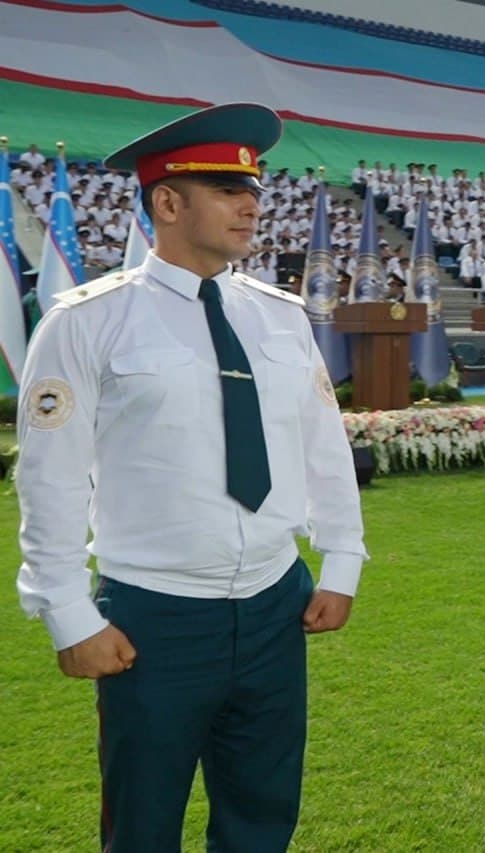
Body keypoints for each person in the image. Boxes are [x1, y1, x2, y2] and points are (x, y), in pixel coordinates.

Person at [14, 103, 367, 853]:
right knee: (143, 825)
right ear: (167, 202)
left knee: (262, 817)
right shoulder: (86, 321)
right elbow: (51, 479)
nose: (251, 203)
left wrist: (340, 558)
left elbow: (321, 445)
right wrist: (69, 615)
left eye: (254, 187)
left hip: (276, 605)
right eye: (225, 187)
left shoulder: (280, 316)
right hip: (154, 619)